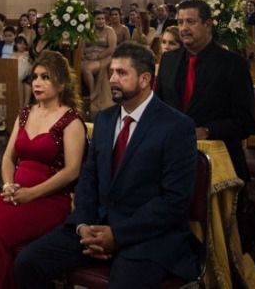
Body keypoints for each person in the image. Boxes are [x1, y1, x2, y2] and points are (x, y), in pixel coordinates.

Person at [14, 43, 199, 287]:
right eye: (111, 72)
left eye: (122, 73)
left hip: (148, 236)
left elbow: (174, 200)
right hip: (96, 225)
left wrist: (118, 235)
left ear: (145, 79)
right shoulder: (104, 119)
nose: (112, 79)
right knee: (28, 262)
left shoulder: (176, 126)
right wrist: (82, 226)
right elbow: (88, 180)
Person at [0, 52, 85, 289]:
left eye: (45, 77)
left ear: (63, 83)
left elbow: (72, 171)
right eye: (35, 76)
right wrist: (8, 185)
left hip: (50, 200)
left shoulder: (71, 121)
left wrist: (32, 193)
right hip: (15, 194)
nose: (36, 82)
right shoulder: (25, 114)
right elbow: (8, 156)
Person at [155, 0, 255, 247]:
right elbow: (157, 107)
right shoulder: (168, 61)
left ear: (208, 24)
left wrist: (208, 131)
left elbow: (245, 122)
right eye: (180, 22)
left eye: (191, 21)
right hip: (173, 158)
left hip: (217, 160)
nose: (184, 28)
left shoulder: (233, 64)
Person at [80, 11, 117, 106]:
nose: (101, 21)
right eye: (98, 19)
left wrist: (98, 56)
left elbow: (111, 48)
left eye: (103, 19)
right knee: (78, 67)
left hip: (103, 57)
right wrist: (82, 56)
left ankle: (93, 94)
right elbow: (82, 46)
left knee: (87, 69)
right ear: (93, 20)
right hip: (87, 58)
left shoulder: (109, 30)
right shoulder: (87, 31)